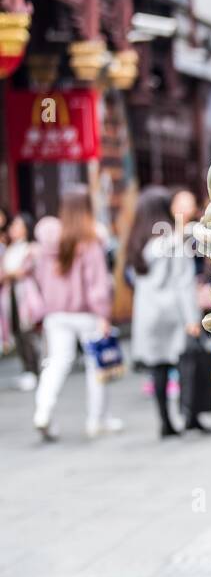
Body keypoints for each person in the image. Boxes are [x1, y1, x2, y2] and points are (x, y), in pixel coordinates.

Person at [30, 187, 121, 441]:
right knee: (97, 366)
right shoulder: (90, 240)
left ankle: (43, 411)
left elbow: (38, 276)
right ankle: (96, 419)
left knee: (57, 362)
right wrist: (103, 314)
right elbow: (98, 283)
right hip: (86, 313)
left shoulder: (47, 240)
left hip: (55, 313)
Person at [127, 186, 208, 438]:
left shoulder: (137, 242)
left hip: (148, 314)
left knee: (158, 368)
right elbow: (184, 283)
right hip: (173, 313)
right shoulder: (172, 241)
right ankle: (190, 417)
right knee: (185, 364)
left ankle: (165, 422)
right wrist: (192, 319)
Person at [1, 212, 41, 390]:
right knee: (17, 332)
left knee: (27, 333)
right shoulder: (10, 249)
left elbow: (23, 270)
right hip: (11, 295)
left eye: (17, 225)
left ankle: (34, 369)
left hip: (26, 294)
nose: (13, 229)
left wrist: (10, 274)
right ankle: (27, 369)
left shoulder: (31, 248)